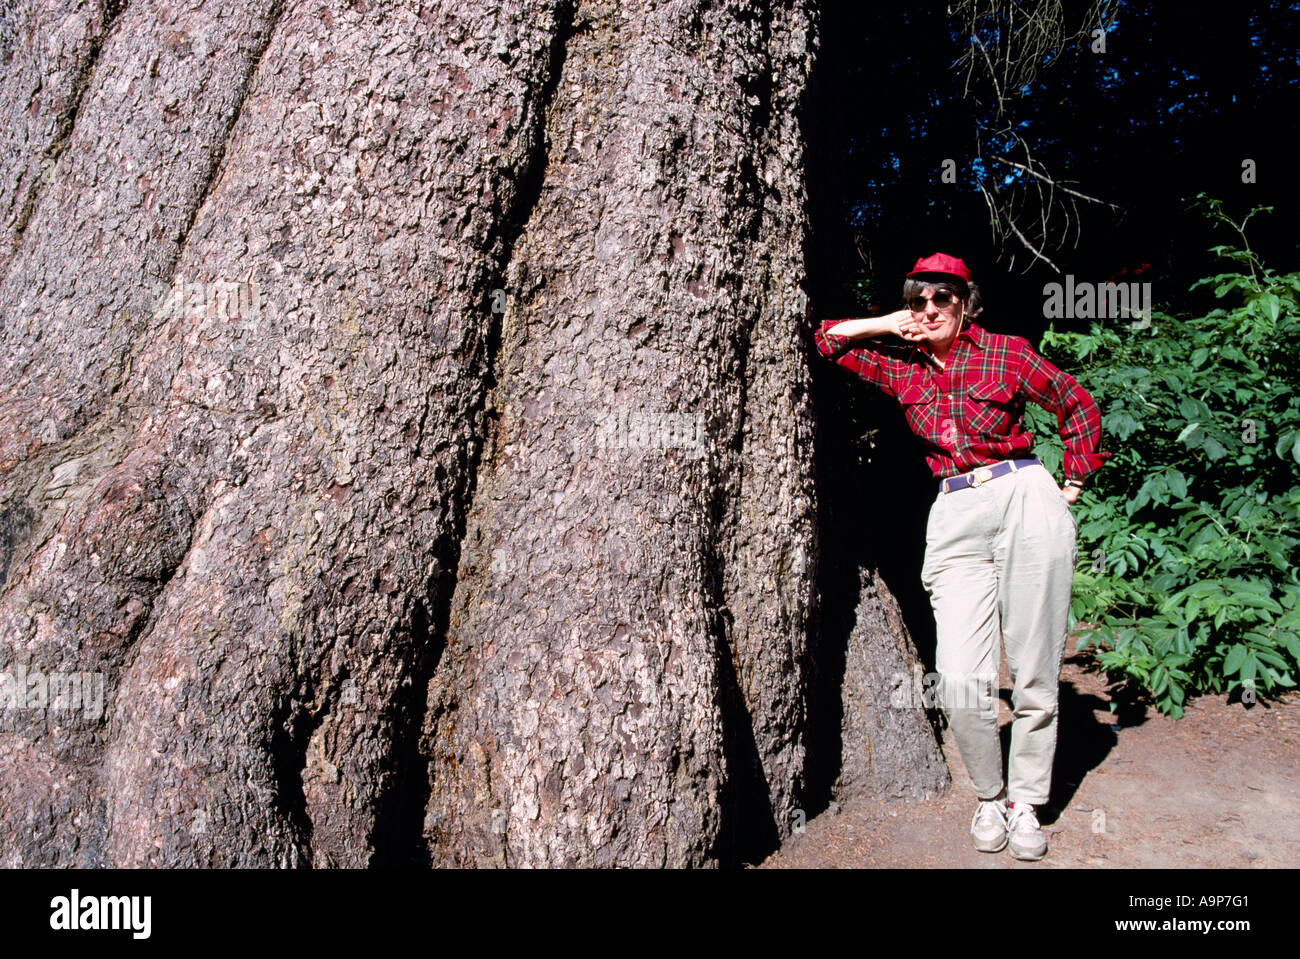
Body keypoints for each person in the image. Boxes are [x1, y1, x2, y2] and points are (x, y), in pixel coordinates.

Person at [812, 252, 1111, 860]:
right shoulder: (902, 369)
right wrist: (886, 323)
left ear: (966, 302)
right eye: (919, 299)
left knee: (1033, 667)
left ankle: (1025, 803)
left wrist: (1074, 479)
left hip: (1024, 494)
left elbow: (1075, 403)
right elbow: (827, 342)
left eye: (941, 298)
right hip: (953, 512)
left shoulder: (1005, 352)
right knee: (960, 678)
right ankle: (988, 794)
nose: (929, 310)